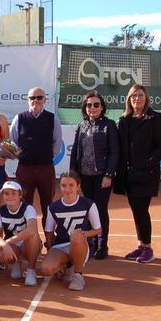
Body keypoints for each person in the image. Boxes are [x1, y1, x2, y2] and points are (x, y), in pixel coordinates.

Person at [114, 84, 161, 264]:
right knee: (136, 210)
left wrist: (148, 163)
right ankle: (141, 245)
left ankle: (148, 247)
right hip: (128, 175)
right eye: (133, 96)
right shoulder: (124, 120)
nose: (137, 99)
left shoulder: (155, 119)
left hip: (146, 174)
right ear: (129, 99)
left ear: (146, 98)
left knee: (141, 210)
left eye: (140, 95)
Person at [69, 91, 118, 259]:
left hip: (102, 176)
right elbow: (76, 151)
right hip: (85, 176)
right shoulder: (81, 125)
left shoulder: (109, 125)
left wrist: (109, 175)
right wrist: (73, 177)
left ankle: (102, 246)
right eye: (89, 105)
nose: (92, 108)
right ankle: (90, 244)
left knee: (101, 210)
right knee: (88, 211)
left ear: (102, 107)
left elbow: (114, 152)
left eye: (96, 105)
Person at [10, 87, 63, 231]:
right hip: (24, 169)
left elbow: (57, 142)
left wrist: (45, 155)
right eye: (32, 98)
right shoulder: (19, 118)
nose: (36, 101)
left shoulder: (53, 118)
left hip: (45, 169)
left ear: (45, 100)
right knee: (24, 205)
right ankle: (27, 240)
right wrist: (20, 153)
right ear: (28, 100)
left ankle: (49, 240)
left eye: (39, 97)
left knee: (48, 205)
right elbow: (13, 141)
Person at [41, 172, 101, 291]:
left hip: (81, 244)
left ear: (78, 186)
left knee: (76, 235)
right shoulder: (53, 207)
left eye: (71, 185)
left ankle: (78, 275)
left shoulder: (88, 204)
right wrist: (50, 252)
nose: (67, 189)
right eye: (63, 185)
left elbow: (98, 229)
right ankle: (67, 267)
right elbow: (49, 232)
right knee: (46, 269)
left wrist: (85, 234)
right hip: (61, 245)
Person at [0, 181, 40, 287]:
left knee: (34, 235)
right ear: (3, 195)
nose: (10, 196)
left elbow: (31, 229)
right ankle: (14, 263)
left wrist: (7, 241)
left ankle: (31, 270)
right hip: (13, 246)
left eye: (13, 193)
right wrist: (4, 245)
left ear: (20, 195)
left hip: (27, 244)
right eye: (6, 193)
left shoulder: (28, 208)